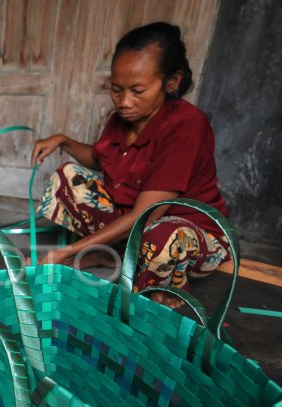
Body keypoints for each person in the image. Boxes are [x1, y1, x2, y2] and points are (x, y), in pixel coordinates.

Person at [30, 22, 230, 308]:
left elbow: (145, 216)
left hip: (188, 233)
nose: (124, 102)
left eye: (137, 90)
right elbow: (101, 159)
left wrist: (69, 251)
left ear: (171, 82)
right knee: (66, 179)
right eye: (116, 89)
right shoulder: (122, 118)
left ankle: (168, 282)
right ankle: (118, 252)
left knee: (162, 237)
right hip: (137, 220)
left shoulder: (185, 127)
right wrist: (63, 141)